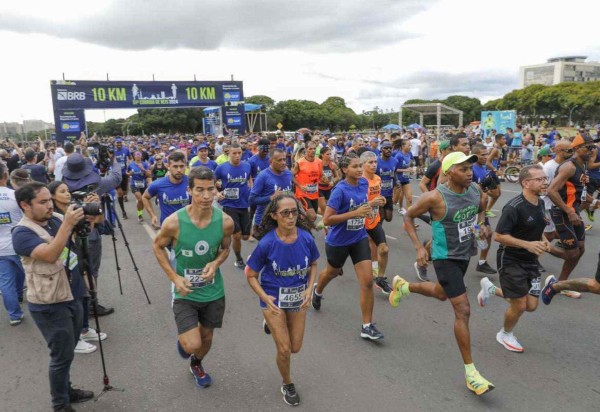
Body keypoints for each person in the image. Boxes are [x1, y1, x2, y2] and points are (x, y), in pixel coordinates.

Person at [389, 151, 495, 396]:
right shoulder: (434, 198)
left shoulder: (475, 190)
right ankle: (471, 373)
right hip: (444, 256)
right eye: (463, 169)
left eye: (470, 169)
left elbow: (482, 210)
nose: (470, 173)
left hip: (465, 251)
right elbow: (409, 217)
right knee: (463, 309)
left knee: (440, 293)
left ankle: (404, 287)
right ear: (448, 173)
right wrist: (418, 247)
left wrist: (482, 226)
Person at [12, 182, 94, 411]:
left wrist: (88, 221)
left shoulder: (56, 219)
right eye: (43, 202)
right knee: (61, 356)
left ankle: (66, 390)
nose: (50, 205)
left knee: (68, 350)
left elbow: (77, 242)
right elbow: (49, 255)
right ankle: (60, 404)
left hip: (72, 293)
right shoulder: (22, 233)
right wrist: (68, 224)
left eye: (50, 200)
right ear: (25, 205)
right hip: (50, 304)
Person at [153, 167, 234, 389]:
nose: (206, 196)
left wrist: (215, 263)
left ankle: (196, 363)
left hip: (213, 290)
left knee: (206, 338)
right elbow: (157, 247)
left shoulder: (225, 222)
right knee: (192, 343)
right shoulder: (173, 222)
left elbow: (226, 249)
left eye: (210, 190)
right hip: (184, 290)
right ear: (189, 190)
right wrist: (174, 278)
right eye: (199, 190)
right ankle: (188, 345)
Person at [245, 194, 318, 406]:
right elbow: (250, 274)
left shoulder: (305, 238)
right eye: (285, 213)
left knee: (295, 347)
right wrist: (263, 297)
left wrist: (309, 290)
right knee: (285, 349)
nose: (291, 216)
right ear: (275, 216)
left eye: (294, 211)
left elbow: (313, 263)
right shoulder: (267, 243)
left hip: (297, 299)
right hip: (273, 301)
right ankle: (287, 383)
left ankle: (270, 324)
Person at [477, 165, 550, 353]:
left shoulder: (540, 203)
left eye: (545, 178)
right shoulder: (514, 207)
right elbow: (500, 236)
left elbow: (538, 228)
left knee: (531, 305)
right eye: (540, 179)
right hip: (511, 259)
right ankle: (505, 333)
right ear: (526, 183)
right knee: (520, 304)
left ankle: (491, 289)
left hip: (530, 260)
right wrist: (528, 244)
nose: (545, 182)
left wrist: (543, 241)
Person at [311, 153, 384, 340]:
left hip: (358, 238)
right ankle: (317, 291)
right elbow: (327, 219)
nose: (360, 169)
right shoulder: (339, 191)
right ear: (344, 170)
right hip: (338, 241)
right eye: (355, 166)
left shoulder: (363, 184)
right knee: (332, 272)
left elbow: (360, 205)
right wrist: (355, 213)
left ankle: (367, 326)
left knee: (367, 281)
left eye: (360, 165)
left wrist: (372, 204)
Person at [48, 181, 108, 354]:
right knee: (73, 298)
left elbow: (92, 227)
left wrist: (94, 208)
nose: (67, 194)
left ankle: (84, 328)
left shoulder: (75, 208)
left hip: (81, 254)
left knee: (84, 294)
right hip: (65, 260)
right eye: (62, 191)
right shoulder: (55, 216)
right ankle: (75, 339)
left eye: (68, 191)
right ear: (53, 195)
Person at [546, 134, 600, 297]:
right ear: (576, 148)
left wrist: (593, 202)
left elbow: (580, 193)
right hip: (562, 213)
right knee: (572, 253)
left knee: (581, 249)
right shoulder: (569, 167)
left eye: (593, 147)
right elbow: (551, 191)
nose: (592, 150)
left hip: (573, 212)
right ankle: (543, 244)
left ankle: (560, 284)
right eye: (588, 147)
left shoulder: (583, 166)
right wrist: (569, 211)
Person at [214, 143, 252, 268]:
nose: (237, 155)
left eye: (239, 153)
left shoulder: (247, 165)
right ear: (228, 154)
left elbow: (249, 178)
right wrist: (217, 193)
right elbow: (211, 182)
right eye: (234, 153)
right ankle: (239, 258)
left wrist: (250, 186)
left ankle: (223, 232)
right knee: (236, 235)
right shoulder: (221, 168)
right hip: (229, 205)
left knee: (245, 236)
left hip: (244, 204)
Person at [360, 151, 392, 294]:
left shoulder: (378, 179)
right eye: (370, 162)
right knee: (335, 267)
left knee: (384, 249)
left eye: (375, 162)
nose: (374, 165)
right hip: (358, 223)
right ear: (362, 165)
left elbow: (377, 197)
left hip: (373, 221)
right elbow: (354, 204)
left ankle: (381, 277)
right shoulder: (359, 181)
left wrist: (381, 200)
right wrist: (372, 202)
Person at [0, 161, 26, 325]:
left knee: (5, 281)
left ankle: (14, 315)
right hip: (18, 243)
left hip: (1, 249)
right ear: (5, 176)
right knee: (26, 274)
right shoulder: (15, 195)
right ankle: (19, 295)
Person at [249, 149, 293, 235]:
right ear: (271, 161)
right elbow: (252, 200)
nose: (283, 162)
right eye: (279, 160)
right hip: (264, 222)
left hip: (284, 220)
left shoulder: (288, 174)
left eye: (284, 159)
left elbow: (290, 193)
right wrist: (271, 198)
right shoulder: (263, 176)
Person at [143, 151, 190, 229]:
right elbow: (145, 197)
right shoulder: (158, 184)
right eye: (175, 166)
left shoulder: (191, 182)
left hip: (188, 227)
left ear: (185, 166)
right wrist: (153, 216)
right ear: (168, 167)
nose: (179, 170)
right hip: (167, 229)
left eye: (181, 166)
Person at [469, 144, 497, 275]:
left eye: (487, 154)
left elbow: (484, 190)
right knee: (464, 240)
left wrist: (487, 190)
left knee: (488, 234)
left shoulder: (484, 168)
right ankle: (429, 248)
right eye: (482, 155)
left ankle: (482, 262)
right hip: (470, 210)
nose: (486, 157)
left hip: (480, 209)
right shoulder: (471, 169)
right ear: (475, 156)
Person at [293, 141, 322, 223]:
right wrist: (300, 186)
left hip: (314, 193)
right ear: (306, 149)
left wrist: (327, 179)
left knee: (311, 218)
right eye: (310, 149)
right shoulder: (300, 162)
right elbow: (291, 176)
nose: (313, 150)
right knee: (312, 216)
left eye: (314, 149)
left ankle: (304, 231)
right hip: (303, 194)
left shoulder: (319, 161)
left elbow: (321, 175)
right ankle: (305, 232)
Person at [485, 133, 508, 217]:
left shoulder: (501, 149)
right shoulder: (495, 149)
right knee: (495, 194)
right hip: (490, 173)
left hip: (494, 174)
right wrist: (495, 170)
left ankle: (487, 210)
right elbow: (487, 162)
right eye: (503, 139)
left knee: (498, 194)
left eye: (505, 139)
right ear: (498, 140)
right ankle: (480, 190)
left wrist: (509, 161)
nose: (505, 140)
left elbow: (499, 162)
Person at [376, 141, 398, 222]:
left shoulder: (395, 161)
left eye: (390, 148)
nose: (388, 150)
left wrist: (396, 183)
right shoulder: (376, 162)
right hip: (379, 194)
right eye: (386, 148)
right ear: (381, 149)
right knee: (380, 218)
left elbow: (394, 173)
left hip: (389, 194)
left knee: (388, 218)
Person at [127, 151, 151, 223]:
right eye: (136, 155)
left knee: (142, 201)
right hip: (134, 184)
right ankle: (140, 215)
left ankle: (140, 213)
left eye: (139, 155)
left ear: (141, 156)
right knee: (140, 199)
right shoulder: (131, 165)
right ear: (134, 156)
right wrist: (129, 174)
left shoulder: (145, 164)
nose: (138, 156)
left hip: (143, 184)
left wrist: (142, 168)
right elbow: (127, 173)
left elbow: (149, 174)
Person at [317, 146, 340, 217]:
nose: (329, 156)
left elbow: (337, 177)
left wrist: (333, 181)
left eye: (330, 154)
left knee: (328, 210)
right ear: (322, 155)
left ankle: (314, 209)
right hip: (319, 189)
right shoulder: (318, 164)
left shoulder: (332, 164)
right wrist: (321, 179)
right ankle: (326, 226)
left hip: (328, 189)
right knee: (324, 209)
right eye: (327, 154)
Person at [393, 139, 414, 215]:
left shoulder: (409, 154)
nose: (410, 147)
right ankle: (399, 207)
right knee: (394, 201)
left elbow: (411, 162)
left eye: (410, 145)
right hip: (398, 180)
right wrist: (405, 170)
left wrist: (411, 169)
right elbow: (394, 169)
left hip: (406, 180)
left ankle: (409, 219)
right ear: (403, 146)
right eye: (409, 145)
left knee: (409, 199)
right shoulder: (398, 156)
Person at [114, 137, 132, 218]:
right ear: (115, 143)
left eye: (120, 143)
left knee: (124, 191)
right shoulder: (112, 152)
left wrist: (130, 168)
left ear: (122, 143)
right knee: (119, 193)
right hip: (116, 174)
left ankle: (125, 195)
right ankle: (123, 212)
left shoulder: (126, 150)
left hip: (124, 173)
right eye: (117, 143)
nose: (119, 144)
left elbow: (130, 159)